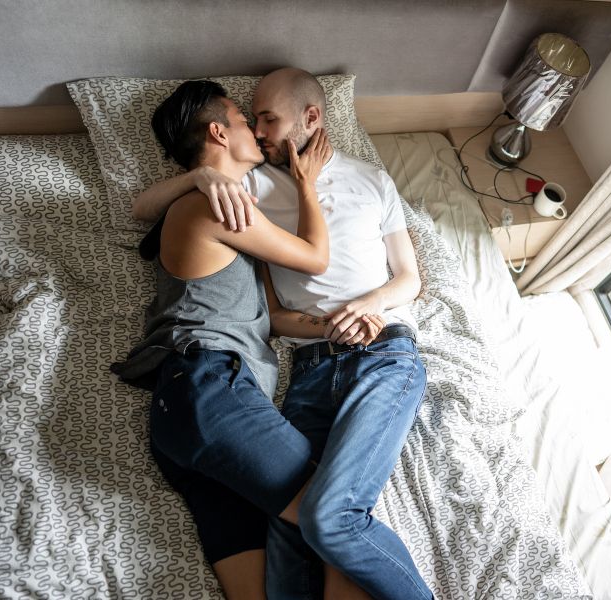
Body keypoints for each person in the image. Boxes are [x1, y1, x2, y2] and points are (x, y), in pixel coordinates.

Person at [135, 68, 433, 600]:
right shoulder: (226, 200)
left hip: (181, 412)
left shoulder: (242, 202)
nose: (257, 129)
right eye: (246, 118)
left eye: (266, 118)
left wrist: (355, 314)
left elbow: (284, 309)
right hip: (212, 390)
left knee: (279, 571)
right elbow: (314, 260)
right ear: (220, 134)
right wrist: (209, 178)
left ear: (311, 117)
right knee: (331, 519)